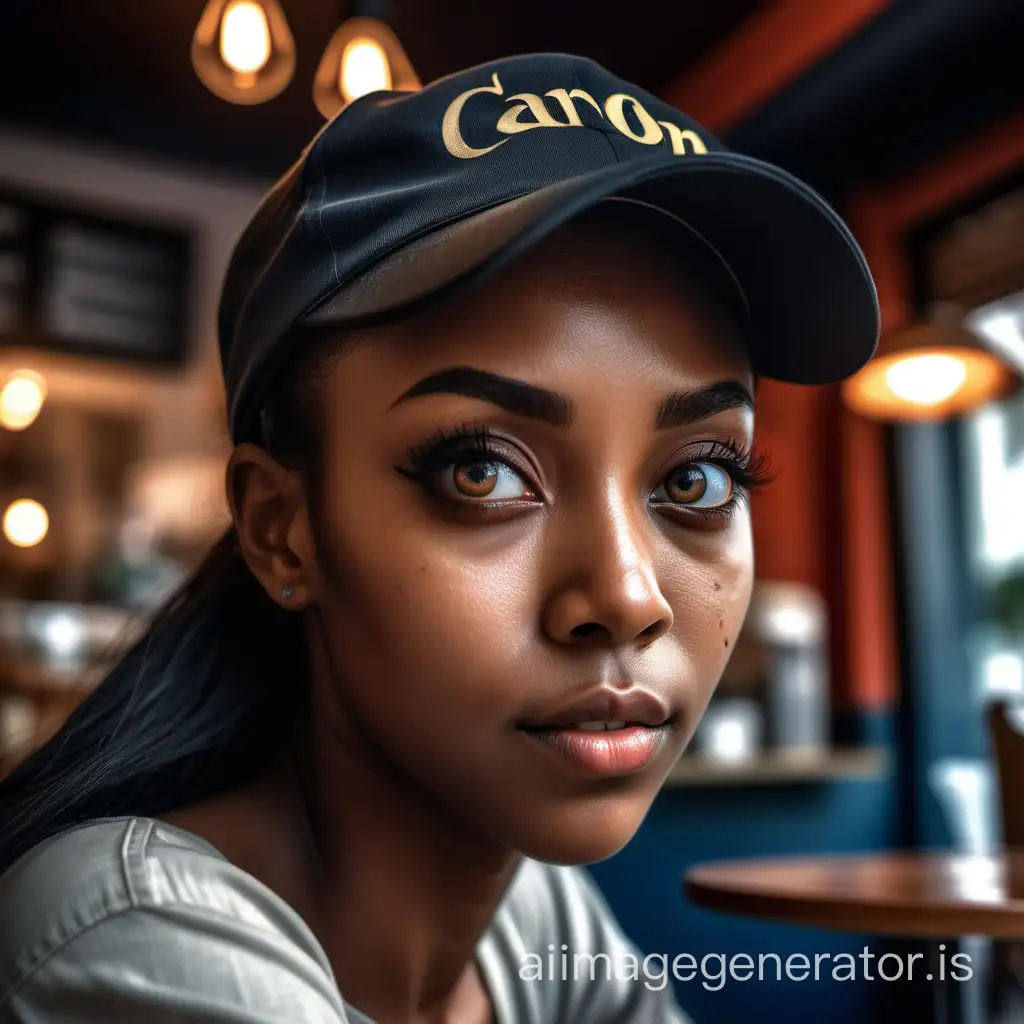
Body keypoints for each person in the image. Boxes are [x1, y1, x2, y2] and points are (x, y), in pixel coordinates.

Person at [0, 54, 878, 1024]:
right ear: (280, 529)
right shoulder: (135, 940)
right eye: (482, 471)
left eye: (695, 477)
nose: (629, 596)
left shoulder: (531, 915)